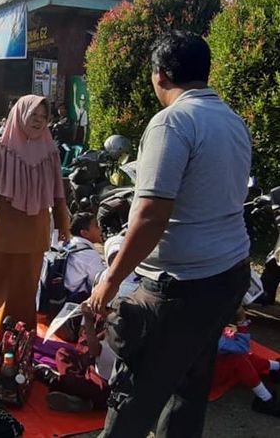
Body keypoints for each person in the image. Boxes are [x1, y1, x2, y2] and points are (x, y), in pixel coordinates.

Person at [88, 31, 253, 437]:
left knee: (136, 394)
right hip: (228, 273)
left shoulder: (173, 121)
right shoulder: (233, 122)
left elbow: (150, 215)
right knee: (189, 388)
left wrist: (109, 282)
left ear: (159, 75)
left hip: (181, 285)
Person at [0, 95, 70, 348]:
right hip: (4, 224)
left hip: (36, 227)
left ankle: (22, 331)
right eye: (34, 115)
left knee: (27, 282)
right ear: (21, 114)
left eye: (43, 117)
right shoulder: (0, 147)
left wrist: (63, 224)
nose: (38, 121)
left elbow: (59, 192)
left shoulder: (50, 152)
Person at [212, 307, 280, 417]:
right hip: (200, 377)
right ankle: (265, 399)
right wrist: (241, 316)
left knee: (240, 355)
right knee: (238, 358)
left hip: (194, 368)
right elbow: (242, 347)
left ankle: (276, 367)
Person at [64, 212, 106, 303]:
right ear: (85, 233)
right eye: (96, 226)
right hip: (74, 301)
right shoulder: (88, 254)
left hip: (58, 296)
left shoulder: (68, 245)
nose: (100, 229)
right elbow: (99, 282)